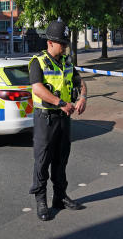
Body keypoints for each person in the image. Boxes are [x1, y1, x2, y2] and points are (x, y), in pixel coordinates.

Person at [28, 20, 88, 221]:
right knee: (43, 160)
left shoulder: (67, 61)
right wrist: (60, 102)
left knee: (61, 160)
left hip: (64, 119)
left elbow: (81, 82)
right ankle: (41, 200)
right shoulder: (38, 62)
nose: (65, 46)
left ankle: (60, 197)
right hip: (46, 118)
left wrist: (82, 97)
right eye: (62, 43)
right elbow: (37, 88)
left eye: (66, 43)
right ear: (50, 43)